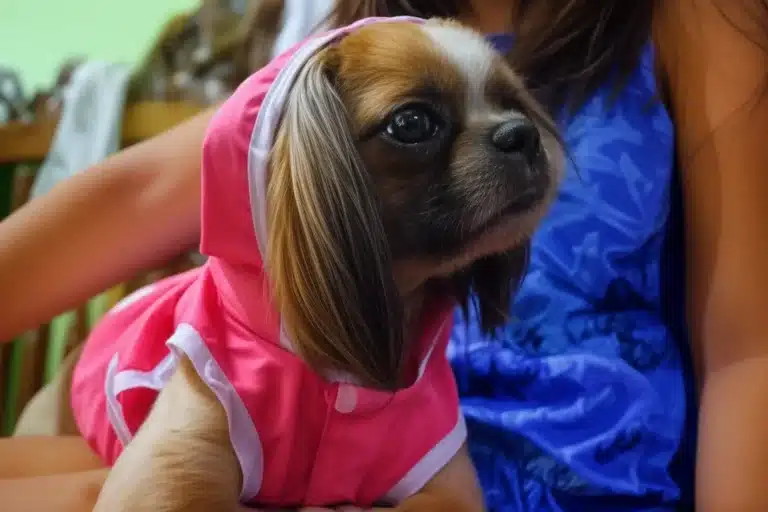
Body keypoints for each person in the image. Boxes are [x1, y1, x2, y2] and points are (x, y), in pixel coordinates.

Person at [1, 0, 767, 510]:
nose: (508, 136)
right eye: (415, 127)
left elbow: (748, 350)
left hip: (578, 465)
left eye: (515, 111)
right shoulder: (349, 50)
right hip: (325, 435)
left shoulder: (693, 18)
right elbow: (139, 193)